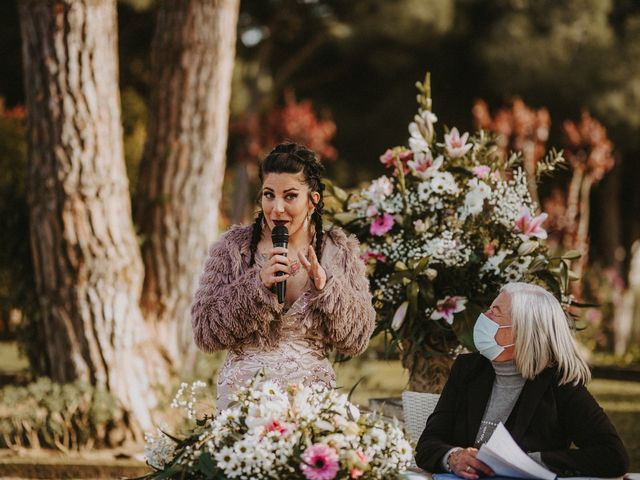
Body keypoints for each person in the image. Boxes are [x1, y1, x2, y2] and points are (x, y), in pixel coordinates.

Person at [191, 142, 376, 410]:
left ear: (312, 200)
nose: (277, 208)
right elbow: (204, 332)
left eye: (289, 196)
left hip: (311, 401)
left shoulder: (337, 250)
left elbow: (357, 339)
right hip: (244, 398)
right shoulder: (234, 249)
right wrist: (256, 287)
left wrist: (327, 289)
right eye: (269, 195)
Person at [415, 282, 629, 478]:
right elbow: (428, 444)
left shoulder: (560, 383)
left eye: (495, 313)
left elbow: (612, 456)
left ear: (523, 329)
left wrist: (530, 462)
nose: (484, 316)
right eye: (489, 309)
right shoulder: (468, 368)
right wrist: (453, 457)